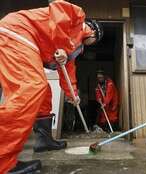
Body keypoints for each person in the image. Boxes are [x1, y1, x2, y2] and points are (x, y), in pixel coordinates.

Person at [0, 1, 103, 173]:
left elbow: (67, 71)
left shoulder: (75, 45)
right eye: (94, 41)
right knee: (31, 87)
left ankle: (44, 140)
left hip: (21, 38)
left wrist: (73, 95)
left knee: (43, 92)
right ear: (94, 32)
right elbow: (58, 8)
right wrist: (61, 45)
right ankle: (3, 160)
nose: (91, 44)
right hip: (16, 32)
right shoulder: (77, 19)